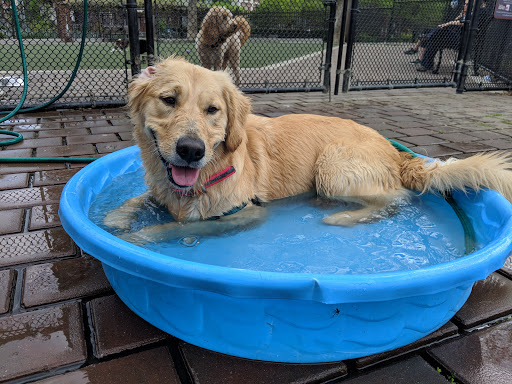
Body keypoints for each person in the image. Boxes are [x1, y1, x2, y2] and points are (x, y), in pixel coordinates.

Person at [404, 0, 469, 68]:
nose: (464, 6)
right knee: (430, 34)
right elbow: (456, 20)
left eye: (466, 5)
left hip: (459, 38)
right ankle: (424, 61)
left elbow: (462, 23)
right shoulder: (464, 14)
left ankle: (424, 39)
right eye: (465, 4)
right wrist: (461, 15)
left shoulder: (471, 16)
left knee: (440, 29)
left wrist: (448, 23)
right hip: (451, 35)